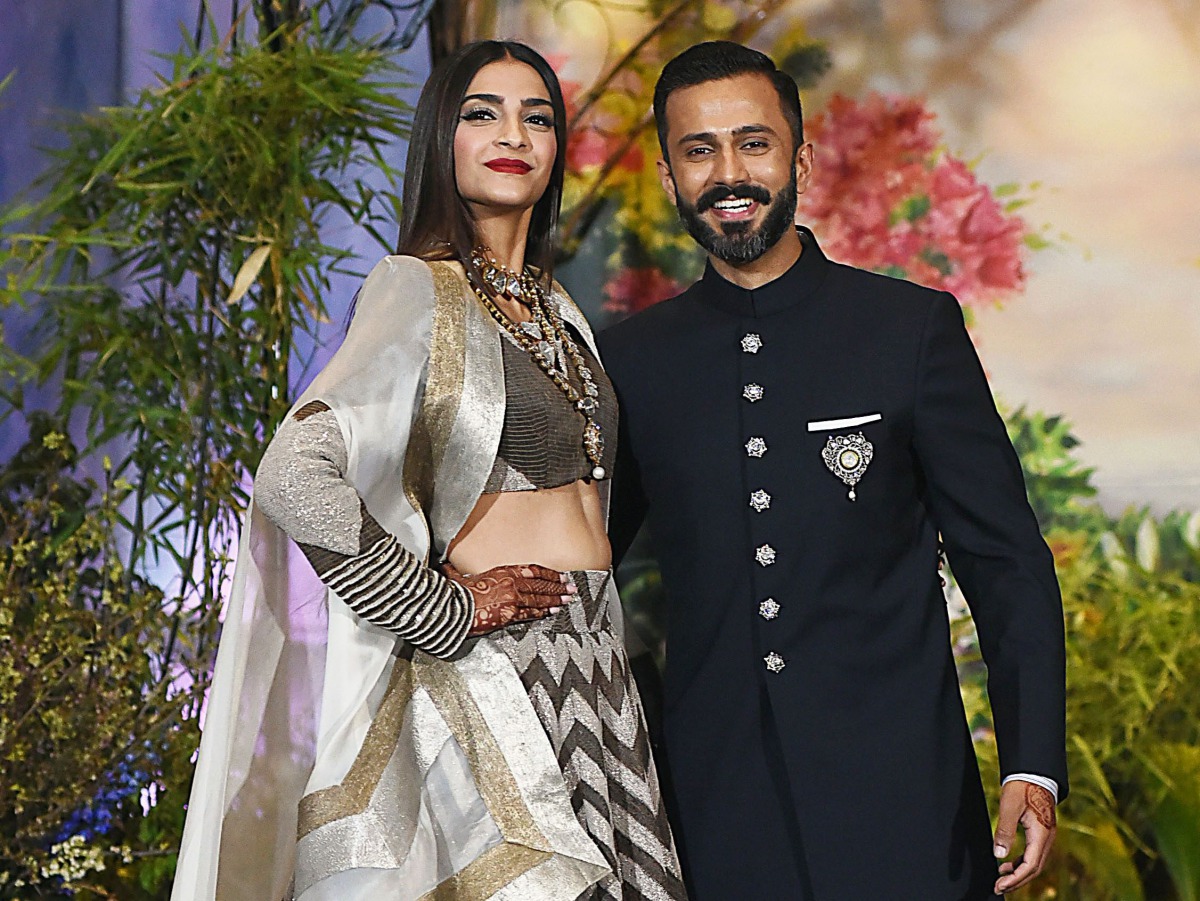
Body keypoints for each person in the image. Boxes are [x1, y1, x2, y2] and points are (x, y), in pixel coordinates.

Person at [172, 40, 685, 901]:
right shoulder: (418, 286)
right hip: (499, 671)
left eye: (538, 116)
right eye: (481, 113)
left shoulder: (555, 308)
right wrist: (437, 606)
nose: (512, 133)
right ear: (442, 138)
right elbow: (292, 473)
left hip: (597, 671)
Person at [599, 41, 1066, 900]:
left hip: (908, 810)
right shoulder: (628, 361)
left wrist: (1032, 763)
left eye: (754, 143)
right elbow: (583, 555)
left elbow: (1005, 564)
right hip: (715, 817)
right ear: (669, 176)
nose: (728, 172)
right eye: (698, 151)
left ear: (799, 158)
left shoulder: (909, 330)